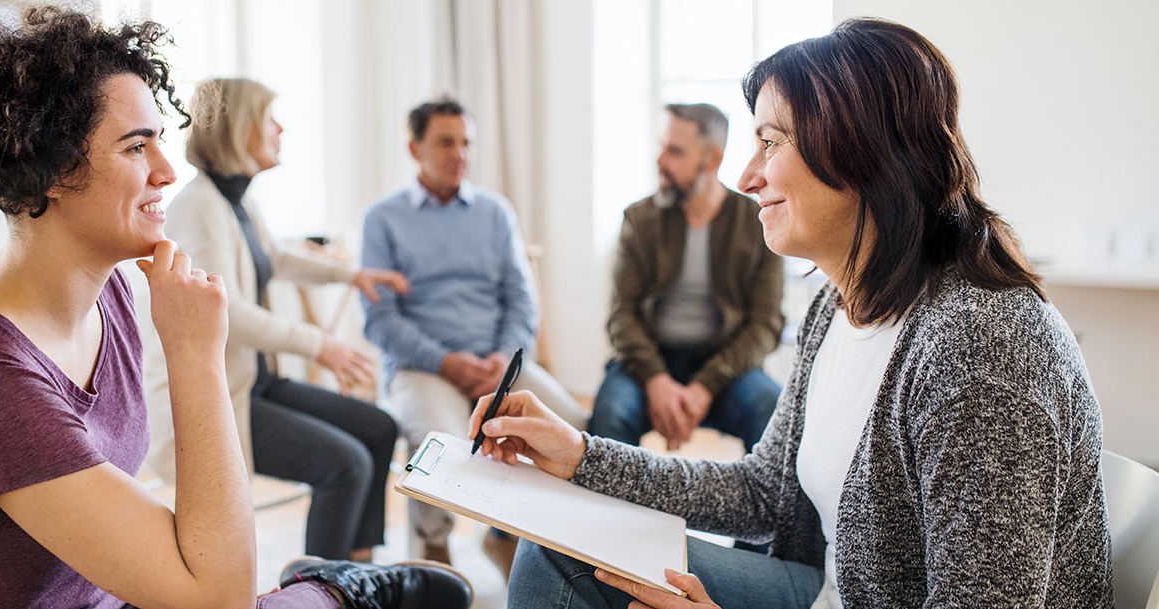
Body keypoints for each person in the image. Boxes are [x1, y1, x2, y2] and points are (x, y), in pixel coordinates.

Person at [475, 18, 1113, 609]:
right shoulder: (839, 304)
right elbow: (764, 491)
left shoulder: (981, 347)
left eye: (769, 142)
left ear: (859, 152)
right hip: (826, 586)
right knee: (558, 542)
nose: (747, 176)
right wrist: (581, 455)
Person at [0, 8, 469, 608]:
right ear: (47, 170)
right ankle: (329, 590)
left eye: (160, 141)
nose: (168, 170)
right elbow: (219, 599)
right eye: (134, 147)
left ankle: (325, 588)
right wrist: (196, 354)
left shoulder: (112, 294)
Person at [148, 77, 407, 563]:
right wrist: (321, 345)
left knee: (377, 428)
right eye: (269, 119)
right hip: (221, 399)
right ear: (238, 128)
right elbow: (226, 310)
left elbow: (277, 258)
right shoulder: (199, 207)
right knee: (345, 465)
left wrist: (353, 276)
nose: (280, 129)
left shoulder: (236, 200)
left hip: (257, 382)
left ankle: (358, 570)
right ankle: (319, 590)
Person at [360, 97, 588, 571]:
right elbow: (380, 321)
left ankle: (506, 531)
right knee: (437, 441)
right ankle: (435, 543)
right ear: (414, 147)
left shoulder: (494, 212)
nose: (459, 153)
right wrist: (447, 362)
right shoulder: (383, 218)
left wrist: (503, 358)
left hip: (496, 362)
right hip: (425, 367)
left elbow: (522, 298)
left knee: (570, 422)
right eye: (446, 142)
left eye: (467, 143)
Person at [590, 102, 783, 455]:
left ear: (712, 160)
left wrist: (704, 386)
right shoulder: (639, 219)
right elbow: (622, 315)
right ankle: (616, 512)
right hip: (648, 360)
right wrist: (656, 380)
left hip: (724, 364)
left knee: (772, 410)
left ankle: (762, 511)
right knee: (609, 417)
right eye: (661, 146)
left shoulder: (757, 223)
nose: (660, 160)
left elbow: (765, 323)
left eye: (675, 151)